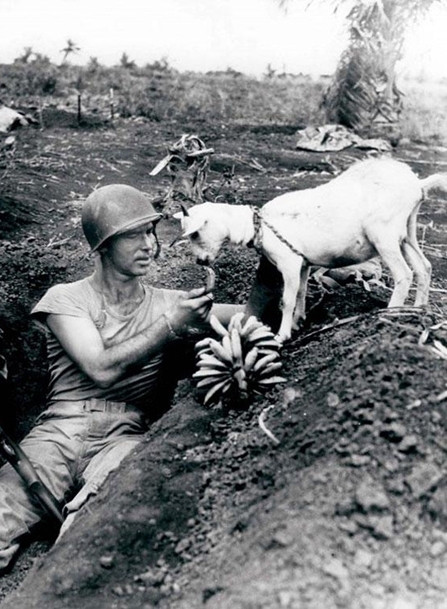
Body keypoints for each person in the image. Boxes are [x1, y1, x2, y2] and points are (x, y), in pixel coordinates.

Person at [0, 184, 241, 572]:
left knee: (97, 532)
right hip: (60, 432)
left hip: (125, 436)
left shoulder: (169, 302)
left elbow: (255, 317)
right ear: (102, 246)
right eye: (133, 235)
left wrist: (278, 260)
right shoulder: (66, 298)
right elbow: (101, 367)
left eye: (150, 232)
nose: (149, 245)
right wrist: (170, 325)